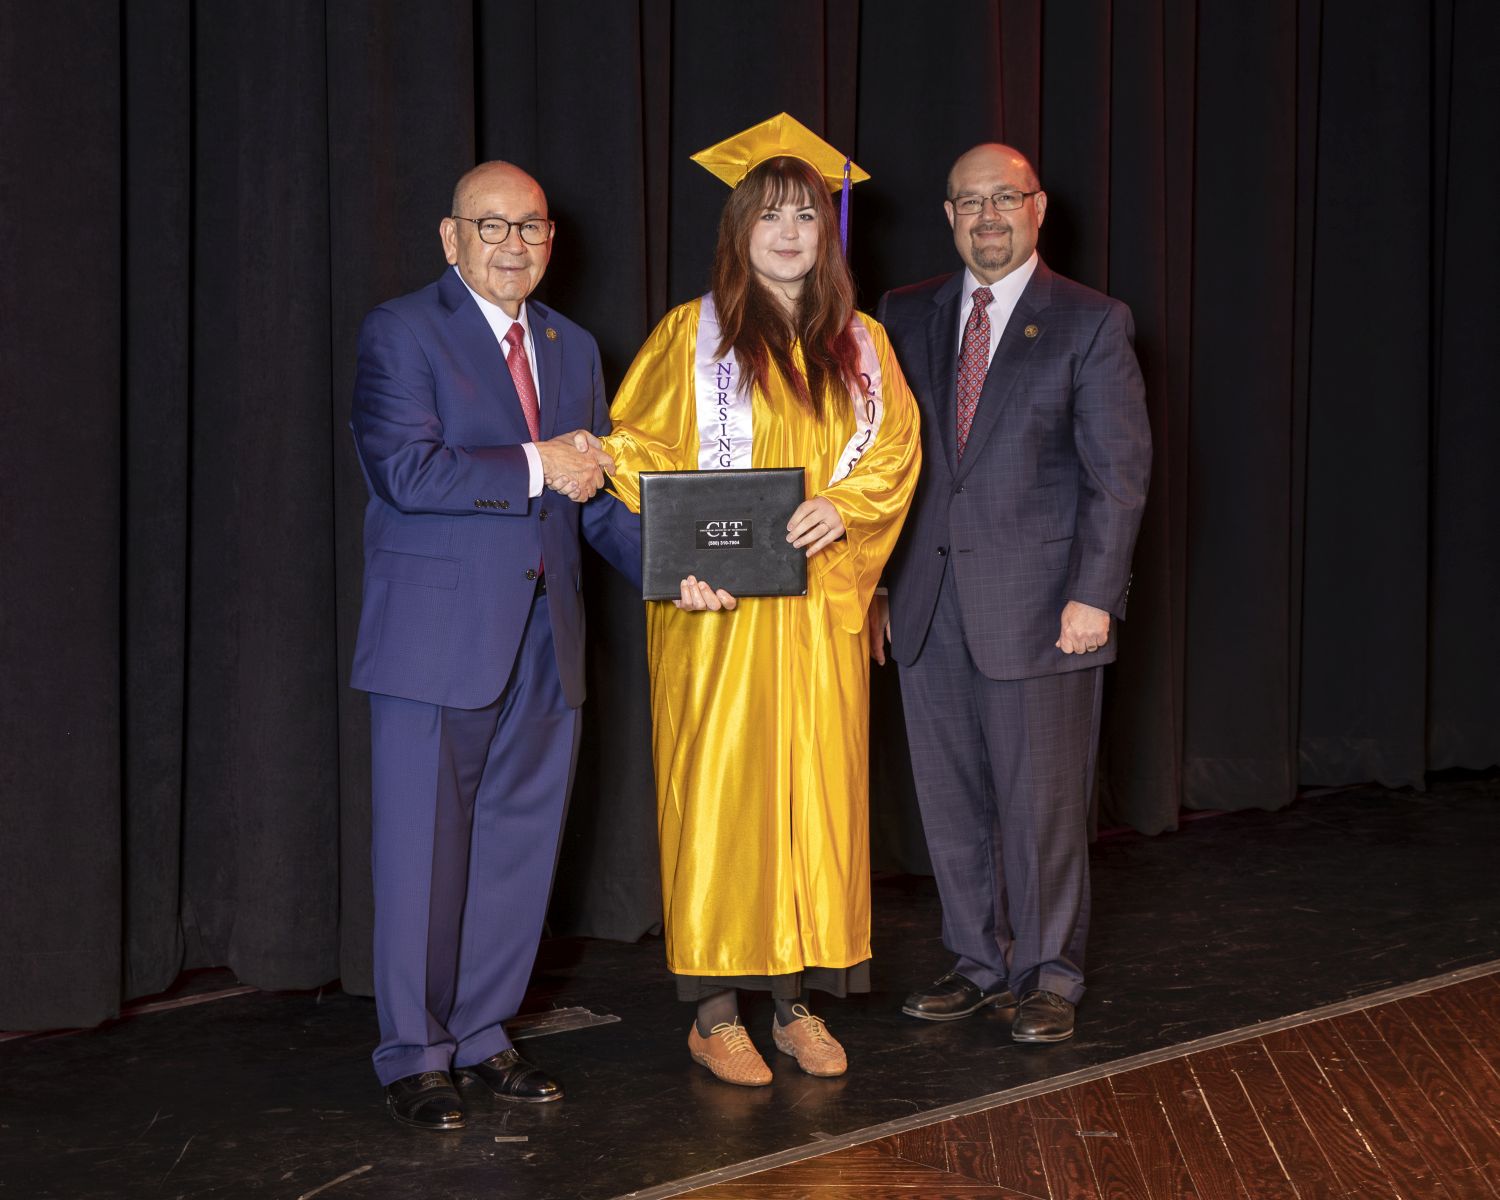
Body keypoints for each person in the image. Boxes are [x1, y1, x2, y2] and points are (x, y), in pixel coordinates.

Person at [600, 114, 921, 1086]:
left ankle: (793, 1005)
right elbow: (635, 455)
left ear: (829, 233)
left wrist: (845, 508)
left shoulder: (862, 346)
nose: (788, 232)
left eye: (806, 215)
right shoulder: (687, 337)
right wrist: (677, 555)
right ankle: (713, 1015)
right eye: (769, 214)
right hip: (720, 622)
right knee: (722, 802)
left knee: (810, 804)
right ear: (739, 229)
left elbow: (895, 455)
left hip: (817, 616)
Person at [349, 161, 638, 1130]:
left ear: (553, 239)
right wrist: (535, 462)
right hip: (436, 642)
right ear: (451, 237)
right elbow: (404, 469)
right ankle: (414, 1051)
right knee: (421, 853)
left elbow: (592, 499)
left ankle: (482, 1032)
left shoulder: (573, 345)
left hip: (549, 638)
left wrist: (684, 568)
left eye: (531, 227)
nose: (514, 244)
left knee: (518, 848)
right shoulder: (401, 330)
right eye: (492, 226)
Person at [871, 143, 1151, 1043]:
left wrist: (1095, 594)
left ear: (1038, 208)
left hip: (1044, 610)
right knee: (951, 804)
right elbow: (878, 462)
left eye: (1005, 198)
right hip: (925, 604)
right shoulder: (902, 314)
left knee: (1041, 808)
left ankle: (1048, 973)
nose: (987, 216)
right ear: (948, 215)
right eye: (969, 202)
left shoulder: (1091, 321)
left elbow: (1119, 476)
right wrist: (875, 588)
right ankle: (977, 963)